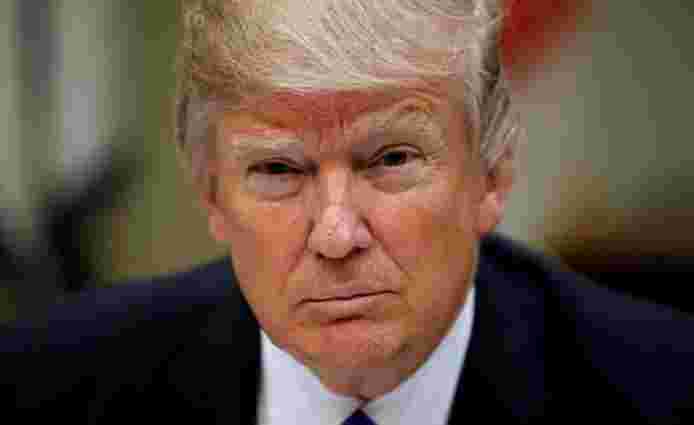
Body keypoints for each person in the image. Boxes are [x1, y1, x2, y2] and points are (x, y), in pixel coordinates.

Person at [5, 1, 693, 423]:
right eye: (279, 170)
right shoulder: (42, 384)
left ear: (492, 173)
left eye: (390, 159)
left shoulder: (666, 388)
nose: (336, 235)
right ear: (211, 193)